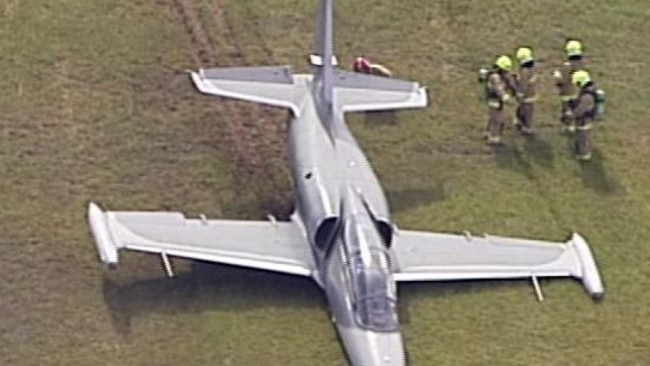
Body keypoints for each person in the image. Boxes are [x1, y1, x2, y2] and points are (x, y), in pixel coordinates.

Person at [553, 39, 586, 133]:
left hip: (567, 90)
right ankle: (575, 124)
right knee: (575, 107)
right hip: (577, 90)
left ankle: (568, 126)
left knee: (567, 109)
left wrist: (557, 76)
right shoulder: (581, 64)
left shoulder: (567, 66)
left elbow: (563, 80)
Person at [483, 55, 515, 144]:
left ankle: (488, 133)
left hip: (496, 100)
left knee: (492, 118)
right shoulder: (495, 77)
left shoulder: (498, 75)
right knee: (497, 120)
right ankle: (493, 138)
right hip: (494, 101)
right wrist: (506, 98)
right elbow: (499, 89)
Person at [570, 70, 598, 161]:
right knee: (586, 135)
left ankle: (584, 155)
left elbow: (580, 111)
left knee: (582, 136)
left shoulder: (586, 96)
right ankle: (587, 149)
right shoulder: (591, 89)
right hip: (588, 118)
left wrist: (572, 114)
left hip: (584, 120)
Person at [513, 47, 538, 135]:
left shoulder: (524, 71)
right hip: (532, 92)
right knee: (528, 109)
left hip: (526, 94)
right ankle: (522, 123)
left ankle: (526, 126)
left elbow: (523, 85)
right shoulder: (534, 66)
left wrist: (519, 94)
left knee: (526, 110)